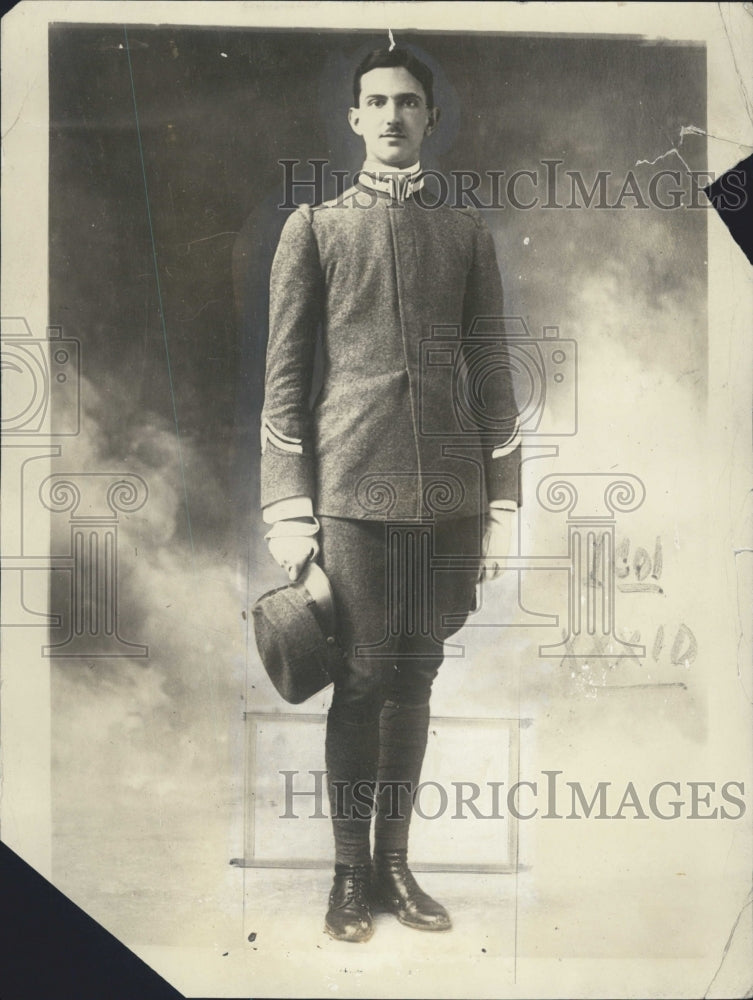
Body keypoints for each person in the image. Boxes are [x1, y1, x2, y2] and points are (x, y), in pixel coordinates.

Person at [260, 44, 522, 942]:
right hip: (351, 493)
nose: (392, 116)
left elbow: (492, 377)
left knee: (415, 677)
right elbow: (284, 387)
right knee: (363, 678)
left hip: (448, 497)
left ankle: (395, 869)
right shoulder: (316, 228)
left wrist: (501, 503)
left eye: (408, 102)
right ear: (353, 118)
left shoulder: (466, 233)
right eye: (375, 102)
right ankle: (345, 876)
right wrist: (290, 517)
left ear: (429, 118)